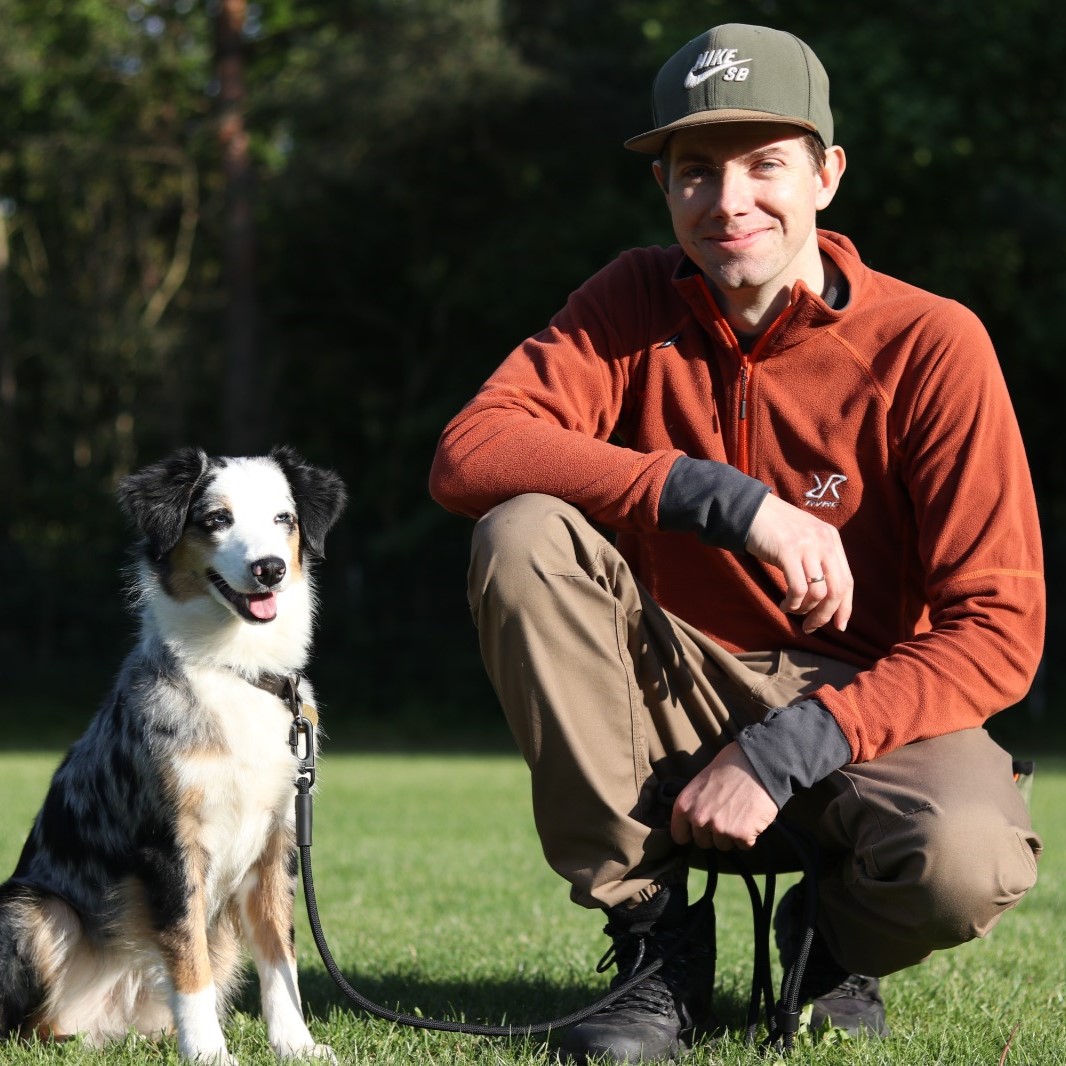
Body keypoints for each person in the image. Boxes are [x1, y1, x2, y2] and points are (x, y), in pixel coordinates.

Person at [429, 22, 1044, 1065]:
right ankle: (654, 949)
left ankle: (828, 940)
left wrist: (782, 749)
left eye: (765, 165)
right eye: (696, 171)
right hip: (672, 673)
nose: (729, 201)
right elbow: (468, 455)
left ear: (827, 175)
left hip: (865, 704)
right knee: (520, 532)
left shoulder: (932, 342)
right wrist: (713, 495)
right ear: (665, 188)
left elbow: (1001, 631)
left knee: (966, 859)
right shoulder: (629, 301)